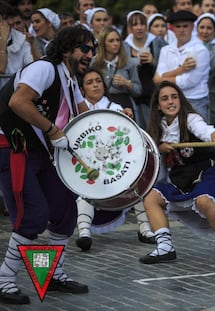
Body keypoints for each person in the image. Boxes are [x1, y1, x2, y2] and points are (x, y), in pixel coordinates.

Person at [0, 25, 95, 305]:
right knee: (34, 214)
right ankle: (4, 279)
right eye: (85, 48)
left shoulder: (69, 77)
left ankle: (53, 275)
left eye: (93, 48)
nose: (90, 54)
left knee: (64, 210)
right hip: (15, 147)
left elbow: (85, 114)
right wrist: (52, 130)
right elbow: (19, 102)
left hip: (42, 151)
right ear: (67, 50)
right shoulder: (45, 68)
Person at [138, 81, 215, 266]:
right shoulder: (158, 129)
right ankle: (165, 247)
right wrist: (158, 147)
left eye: (174, 97)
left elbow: (204, 130)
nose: (171, 102)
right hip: (183, 179)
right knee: (151, 197)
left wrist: (214, 137)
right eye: (165, 99)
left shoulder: (190, 119)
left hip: (209, 174)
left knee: (203, 200)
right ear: (158, 105)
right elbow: (143, 149)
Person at [75, 68, 134, 250]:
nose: (95, 85)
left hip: (113, 164)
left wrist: (128, 120)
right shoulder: (75, 109)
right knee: (83, 190)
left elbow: (127, 141)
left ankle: (146, 230)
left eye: (98, 81)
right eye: (90, 82)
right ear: (82, 89)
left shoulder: (116, 109)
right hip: (85, 165)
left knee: (136, 185)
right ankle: (84, 233)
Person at [154, 10, 210, 121]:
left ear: (192, 27)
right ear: (173, 28)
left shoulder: (200, 50)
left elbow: (189, 82)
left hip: (194, 101)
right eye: (178, 26)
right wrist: (182, 69)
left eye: (185, 26)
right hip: (171, 101)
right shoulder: (166, 50)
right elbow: (157, 80)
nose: (181, 30)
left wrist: (164, 78)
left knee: (199, 136)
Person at [123, 10, 167, 129]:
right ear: (129, 27)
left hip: (154, 92)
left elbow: (168, 65)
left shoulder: (157, 42)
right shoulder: (124, 45)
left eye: (142, 24)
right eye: (135, 24)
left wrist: (153, 62)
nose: (139, 28)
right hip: (135, 95)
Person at [90, 26, 142, 121]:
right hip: (102, 104)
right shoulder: (94, 63)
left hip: (124, 104)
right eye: (111, 41)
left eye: (118, 40)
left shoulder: (129, 62)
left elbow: (138, 91)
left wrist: (127, 83)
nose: (116, 44)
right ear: (103, 43)